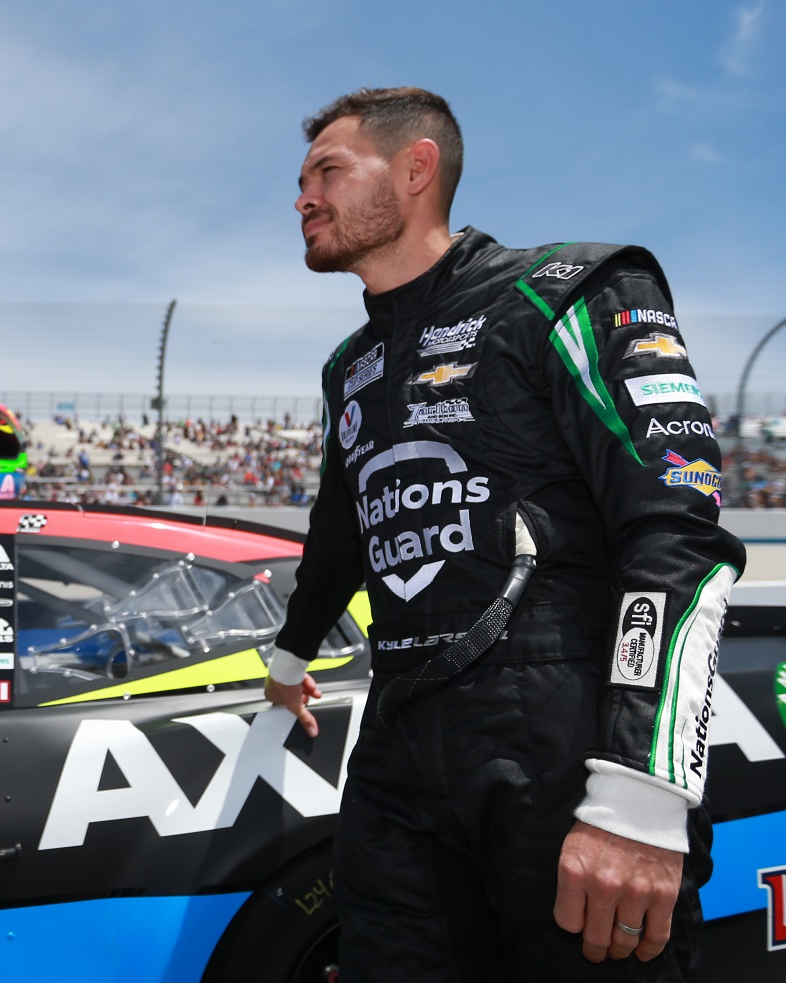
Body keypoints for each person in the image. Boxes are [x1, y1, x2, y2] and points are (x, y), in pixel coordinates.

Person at [264, 87, 745, 980]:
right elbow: (342, 536)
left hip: (566, 741)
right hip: (398, 752)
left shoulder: (568, 291)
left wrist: (641, 792)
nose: (303, 197)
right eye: (300, 180)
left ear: (417, 168)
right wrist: (288, 663)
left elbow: (678, 537)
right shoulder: (349, 367)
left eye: (327, 171)